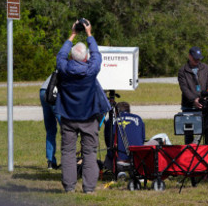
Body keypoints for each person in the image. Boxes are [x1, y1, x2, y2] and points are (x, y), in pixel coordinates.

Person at [55, 19, 110, 194]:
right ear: (85, 58)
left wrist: (72, 34)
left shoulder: (63, 68)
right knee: (90, 154)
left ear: (71, 57)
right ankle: (89, 189)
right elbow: (96, 55)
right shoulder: (91, 70)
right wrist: (89, 34)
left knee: (68, 153)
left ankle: (69, 187)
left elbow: (60, 55)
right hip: (89, 117)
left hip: (68, 117)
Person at [178, 46, 208, 145]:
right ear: (189, 56)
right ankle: (189, 155)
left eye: (199, 58)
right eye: (195, 58)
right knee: (189, 133)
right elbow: (184, 88)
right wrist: (194, 99)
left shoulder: (205, 68)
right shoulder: (183, 71)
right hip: (189, 106)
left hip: (204, 106)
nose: (197, 60)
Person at [103, 101, 145, 173]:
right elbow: (142, 139)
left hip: (117, 161)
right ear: (129, 111)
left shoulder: (110, 121)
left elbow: (108, 142)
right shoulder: (138, 119)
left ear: (116, 112)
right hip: (138, 160)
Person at [39, 74, 59, 170]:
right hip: (54, 92)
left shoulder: (62, 63)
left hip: (43, 90)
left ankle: (51, 162)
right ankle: (69, 161)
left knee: (50, 129)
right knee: (68, 130)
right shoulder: (75, 66)